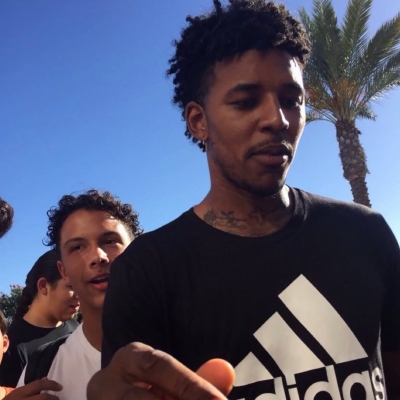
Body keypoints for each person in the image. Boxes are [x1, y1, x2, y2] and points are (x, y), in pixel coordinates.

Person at [89, 1, 400, 400]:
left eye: (292, 99)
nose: (278, 119)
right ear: (199, 121)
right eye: (246, 101)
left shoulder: (365, 234)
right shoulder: (146, 271)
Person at [17, 190, 142, 400]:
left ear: (138, 253)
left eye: (110, 241)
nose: (97, 257)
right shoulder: (42, 368)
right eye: (77, 247)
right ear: (64, 271)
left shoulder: (190, 343)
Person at [0, 250, 79, 388]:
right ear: (43, 286)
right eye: (72, 286)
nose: (80, 295)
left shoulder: (77, 328)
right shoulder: (14, 345)